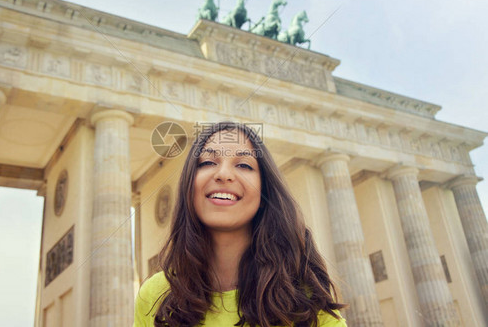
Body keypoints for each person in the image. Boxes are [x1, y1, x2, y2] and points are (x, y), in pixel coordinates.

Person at [134, 122, 347, 326]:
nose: (224, 174)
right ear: (189, 185)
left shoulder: (301, 296)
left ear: (265, 192)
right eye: (208, 162)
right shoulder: (155, 295)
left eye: (244, 165)